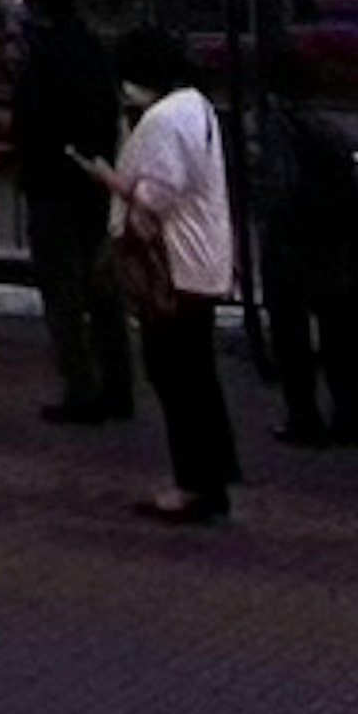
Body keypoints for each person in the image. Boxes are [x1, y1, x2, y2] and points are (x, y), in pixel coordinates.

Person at [96, 26, 238, 526]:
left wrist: (113, 183)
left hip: (170, 267)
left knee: (175, 376)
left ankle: (193, 482)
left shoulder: (160, 120)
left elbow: (157, 195)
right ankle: (213, 475)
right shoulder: (195, 106)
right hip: (201, 261)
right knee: (197, 374)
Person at [11, 0, 134, 426]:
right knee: (103, 292)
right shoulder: (93, 50)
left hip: (51, 184)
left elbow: (29, 120)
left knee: (63, 292)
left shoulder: (41, 56)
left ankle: (81, 389)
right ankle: (117, 386)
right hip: (92, 182)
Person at [251, 41, 358, 450]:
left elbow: (282, 186)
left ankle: (302, 417)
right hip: (333, 243)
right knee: (337, 333)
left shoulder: (278, 125)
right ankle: (349, 416)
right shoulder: (327, 126)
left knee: (291, 335)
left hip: (293, 243)